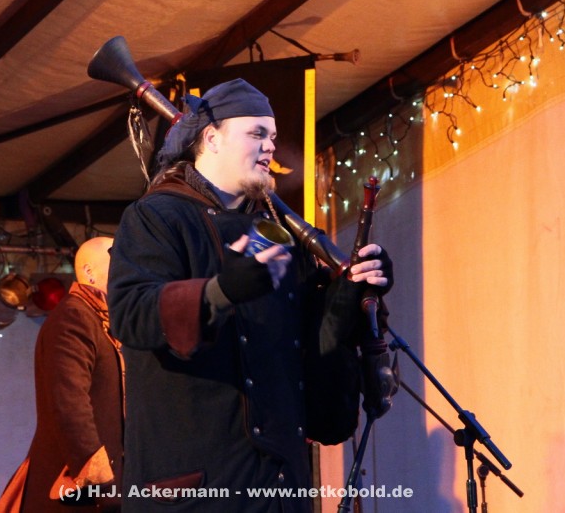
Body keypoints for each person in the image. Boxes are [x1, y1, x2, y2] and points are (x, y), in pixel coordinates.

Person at [107, 79, 393, 512]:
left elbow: (311, 357)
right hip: (196, 495)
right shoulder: (155, 216)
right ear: (211, 138)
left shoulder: (278, 234)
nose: (270, 146)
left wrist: (349, 293)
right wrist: (220, 291)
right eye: (256, 133)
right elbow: (131, 314)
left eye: (273, 136)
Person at [0, 236, 124, 513]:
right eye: (118, 259)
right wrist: (99, 483)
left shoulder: (106, 321)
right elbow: (69, 405)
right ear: (89, 272)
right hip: (75, 492)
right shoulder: (75, 317)